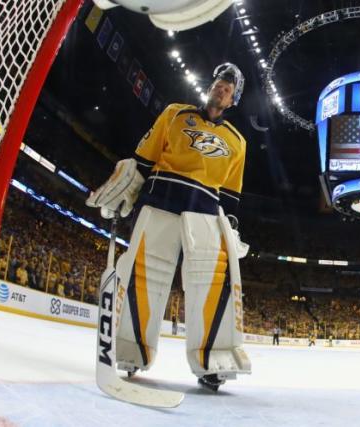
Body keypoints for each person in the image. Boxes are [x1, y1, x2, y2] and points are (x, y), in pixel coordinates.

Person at [86, 63, 251, 391]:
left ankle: (212, 360)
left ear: (233, 100)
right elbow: (144, 160)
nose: (221, 89)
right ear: (210, 86)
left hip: (205, 212)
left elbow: (230, 196)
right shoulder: (176, 114)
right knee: (144, 275)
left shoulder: (238, 142)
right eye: (219, 83)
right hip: (161, 199)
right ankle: (133, 350)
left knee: (213, 283)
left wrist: (230, 226)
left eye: (228, 88)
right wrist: (128, 186)